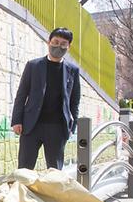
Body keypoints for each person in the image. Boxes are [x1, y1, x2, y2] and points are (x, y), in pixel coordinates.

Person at [11, 28, 81, 170]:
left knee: (54, 171)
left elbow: (74, 101)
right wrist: (17, 120)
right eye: (55, 42)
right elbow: (21, 94)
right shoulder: (33, 66)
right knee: (24, 169)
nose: (58, 46)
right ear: (49, 42)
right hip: (31, 125)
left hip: (58, 128)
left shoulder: (73, 70)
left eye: (63, 44)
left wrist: (72, 127)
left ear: (68, 46)